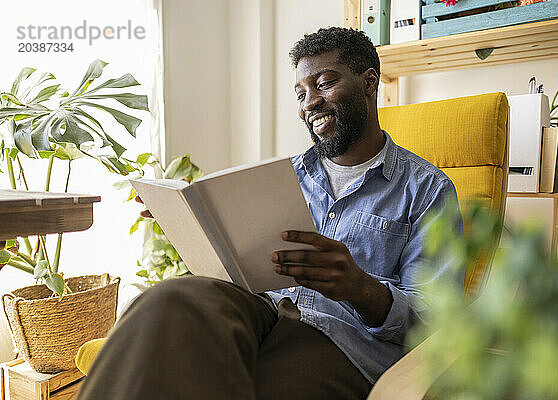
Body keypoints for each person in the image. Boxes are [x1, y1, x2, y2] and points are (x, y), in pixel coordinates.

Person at [77, 27, 461, 400]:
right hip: (260, 312)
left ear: (369, 82)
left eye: (324, 83)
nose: (309, 103)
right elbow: (240, 267)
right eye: (301, 93)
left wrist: (360, 288)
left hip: (342, 347)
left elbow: (434, 324)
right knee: (167, 298)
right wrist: (191, 230)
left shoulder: (427, 190)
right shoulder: (282, 176)